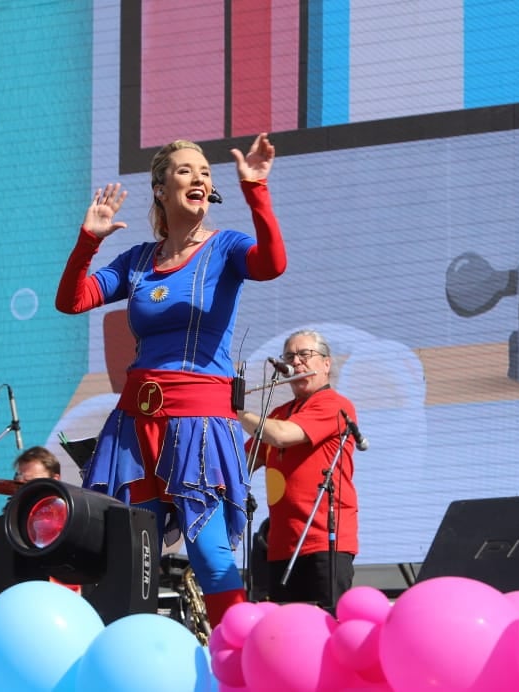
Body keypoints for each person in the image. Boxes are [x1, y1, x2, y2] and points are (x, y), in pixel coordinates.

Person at [55, 133, 287, 626]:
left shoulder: (226, 248)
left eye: (205, 172)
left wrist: (256, 191)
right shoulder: (138, 260)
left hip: (199, 425)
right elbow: (71, 301)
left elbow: (273, 264)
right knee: (127, 557)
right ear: (160, 189)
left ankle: (235, 653)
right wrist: (88, 240)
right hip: (134, 427)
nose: (200, 177)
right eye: (186, 170)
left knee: (209, 554)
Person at [237, 329, 359, 609]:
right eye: (290, 356)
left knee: (326, 628)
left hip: (324, 541)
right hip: (280, 544)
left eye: (305, 354)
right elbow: (241, 463)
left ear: (326, 364)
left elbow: (281, 435)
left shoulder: (335, 405)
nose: (297, 362)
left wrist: (237, 410)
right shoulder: (278, 413)